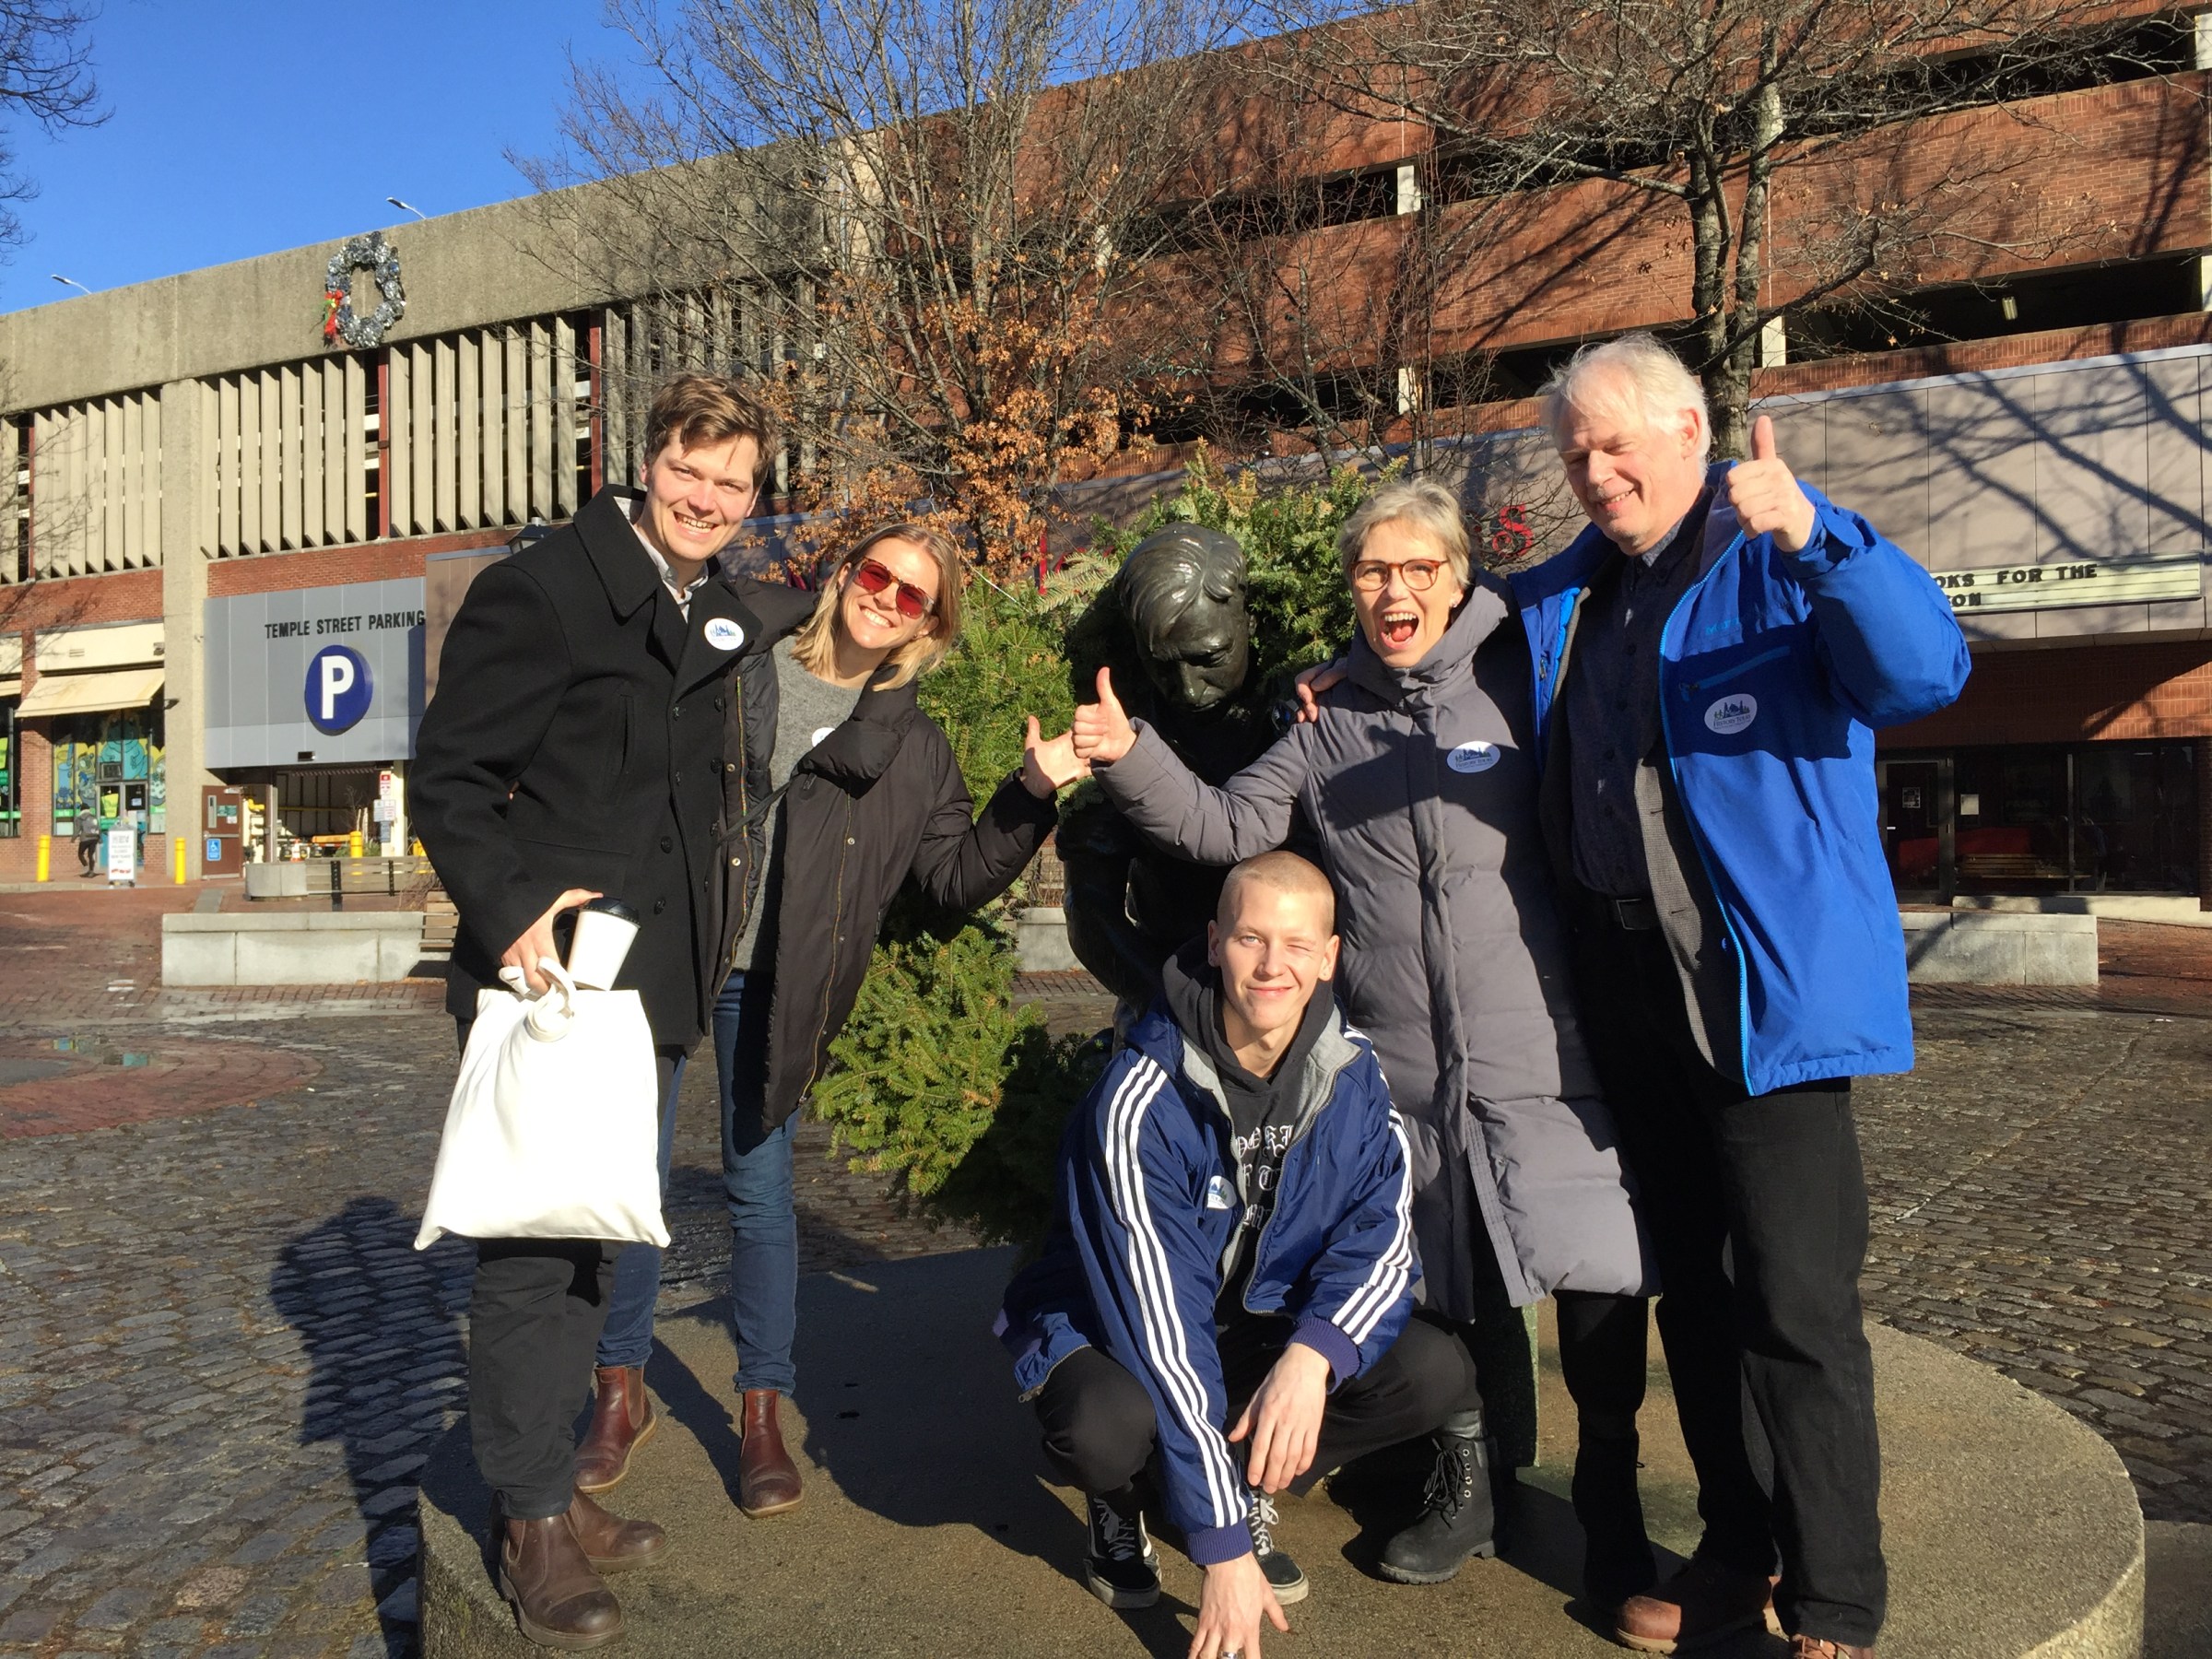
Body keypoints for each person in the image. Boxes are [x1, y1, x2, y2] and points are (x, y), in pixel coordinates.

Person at [1071, 479, 1659, 1614]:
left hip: (1538, 1040)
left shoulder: (1519, 674)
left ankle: (1614, 1505)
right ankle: (1470, 1484)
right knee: (1438, 1279)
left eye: (1418, 569)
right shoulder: (1323, 714)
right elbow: (1228, 826)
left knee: (1595, 1270)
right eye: (1373, 573)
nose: (1396, 591)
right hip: (1402, 1054)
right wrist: (1127, 751)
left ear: (1457, 575)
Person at [1510, 333, 1970, 1659]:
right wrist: (1337, 685)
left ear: (1692, 431)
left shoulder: (1781, 556)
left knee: (1797, 1302)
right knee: (1696, 1297)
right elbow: (1442, 644)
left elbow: (1927, 673)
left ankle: (1834, 1602)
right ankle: (1736, 1545)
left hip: (1759, 1001)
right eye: (1575, 452)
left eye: (1616, 444)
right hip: (1624, 985)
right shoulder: (1571, 599)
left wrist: (1823, 535)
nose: (1596, 473)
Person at [577, 518, 1089, 1519]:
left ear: (927, 628)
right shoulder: (739, 662)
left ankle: (761, 1406)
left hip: (778, 982)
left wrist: (1033, 792)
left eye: (912, 596)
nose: (886, 598)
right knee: (627, 1178)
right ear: (845, 574)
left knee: (760, 1194)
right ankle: (618, 1388)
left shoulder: (912, 746)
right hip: (666, 953)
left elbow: (951, 880)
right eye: (877, 575)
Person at [412, 372, 794, 1649]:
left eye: (733, 482)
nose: (707, 498)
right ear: (647, 465)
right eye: (690, 471)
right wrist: (512, 905)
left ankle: (552, 1499)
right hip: (552, 978)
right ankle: (527, 1520)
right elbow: (451, 780)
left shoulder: (713, 604)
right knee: (530, 1256)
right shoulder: (549, 589)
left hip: (652, 983)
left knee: (591, 1246)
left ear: (754, 499)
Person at [999, 852, 1489, 1659]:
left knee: (1432, 1371)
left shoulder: (1353, 1075)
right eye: (1251, 939)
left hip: (1258, 1324)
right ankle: (1124, 1500)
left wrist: (1310, 1357)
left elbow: (1383, 1242)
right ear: (1215, 940)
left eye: (1298, 946)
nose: (1273, 967)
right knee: (1102, 1431)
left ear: (1329, 956)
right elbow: (1160, 1328)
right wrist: (1222, 1551)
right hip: (1117, 1328)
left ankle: (1241, 1478)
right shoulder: (1140, 1100)